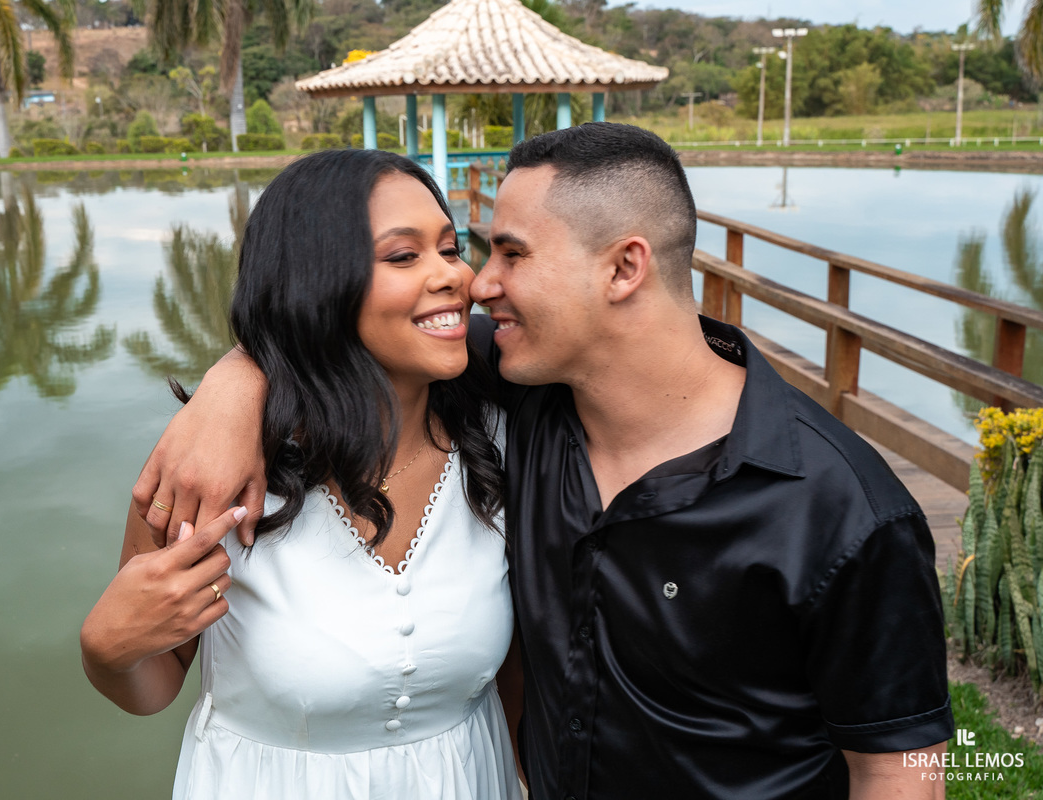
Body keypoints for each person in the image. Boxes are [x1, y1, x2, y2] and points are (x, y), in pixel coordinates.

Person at [132, 123, 954, 799]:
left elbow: (898, 762)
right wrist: (235, 384)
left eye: (509, 254)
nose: (474, 284)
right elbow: (330, 324)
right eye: (473, 251)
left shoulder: (842, 507)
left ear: (625, 267)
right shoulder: (520, 400)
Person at [81, 149, 523, 800]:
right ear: (317, 283)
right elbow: (155, 683)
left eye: (452, 249)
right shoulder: (213, 473)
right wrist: (106, 651)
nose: (455, 276)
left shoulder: (500, 440)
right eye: (405, 256)